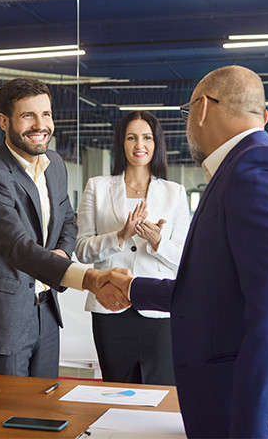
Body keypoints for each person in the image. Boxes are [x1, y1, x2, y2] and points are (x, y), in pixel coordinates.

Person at [110, 65, 268, 437]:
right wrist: (132, 288)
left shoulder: (256, 167)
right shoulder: (240, 168)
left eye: (186, 113)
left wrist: (256, 429)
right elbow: (217, 289)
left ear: (202, 110)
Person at [0, 77, 132, 379]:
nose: (40, 125)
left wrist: (62, 253)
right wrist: (90, 278)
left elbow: (66, 220)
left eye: (46, 114)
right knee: (6, 417)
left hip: (46, 312)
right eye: (28, 115)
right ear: (3, 121)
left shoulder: (54, 164)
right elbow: (18, 248)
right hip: (4, 318)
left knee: (45, 407)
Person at [75, 111, 189, 385]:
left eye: (147, 137)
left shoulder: (175, 192)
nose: (140, 145)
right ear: (121, 143)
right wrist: (121, 235)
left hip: (158, 308)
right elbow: (82, 250)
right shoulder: (98, 187)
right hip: (109, 305)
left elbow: (185, 259)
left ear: (157, 143)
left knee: (161, 389)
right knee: (117, 389)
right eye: (132, 137)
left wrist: (157, 242)